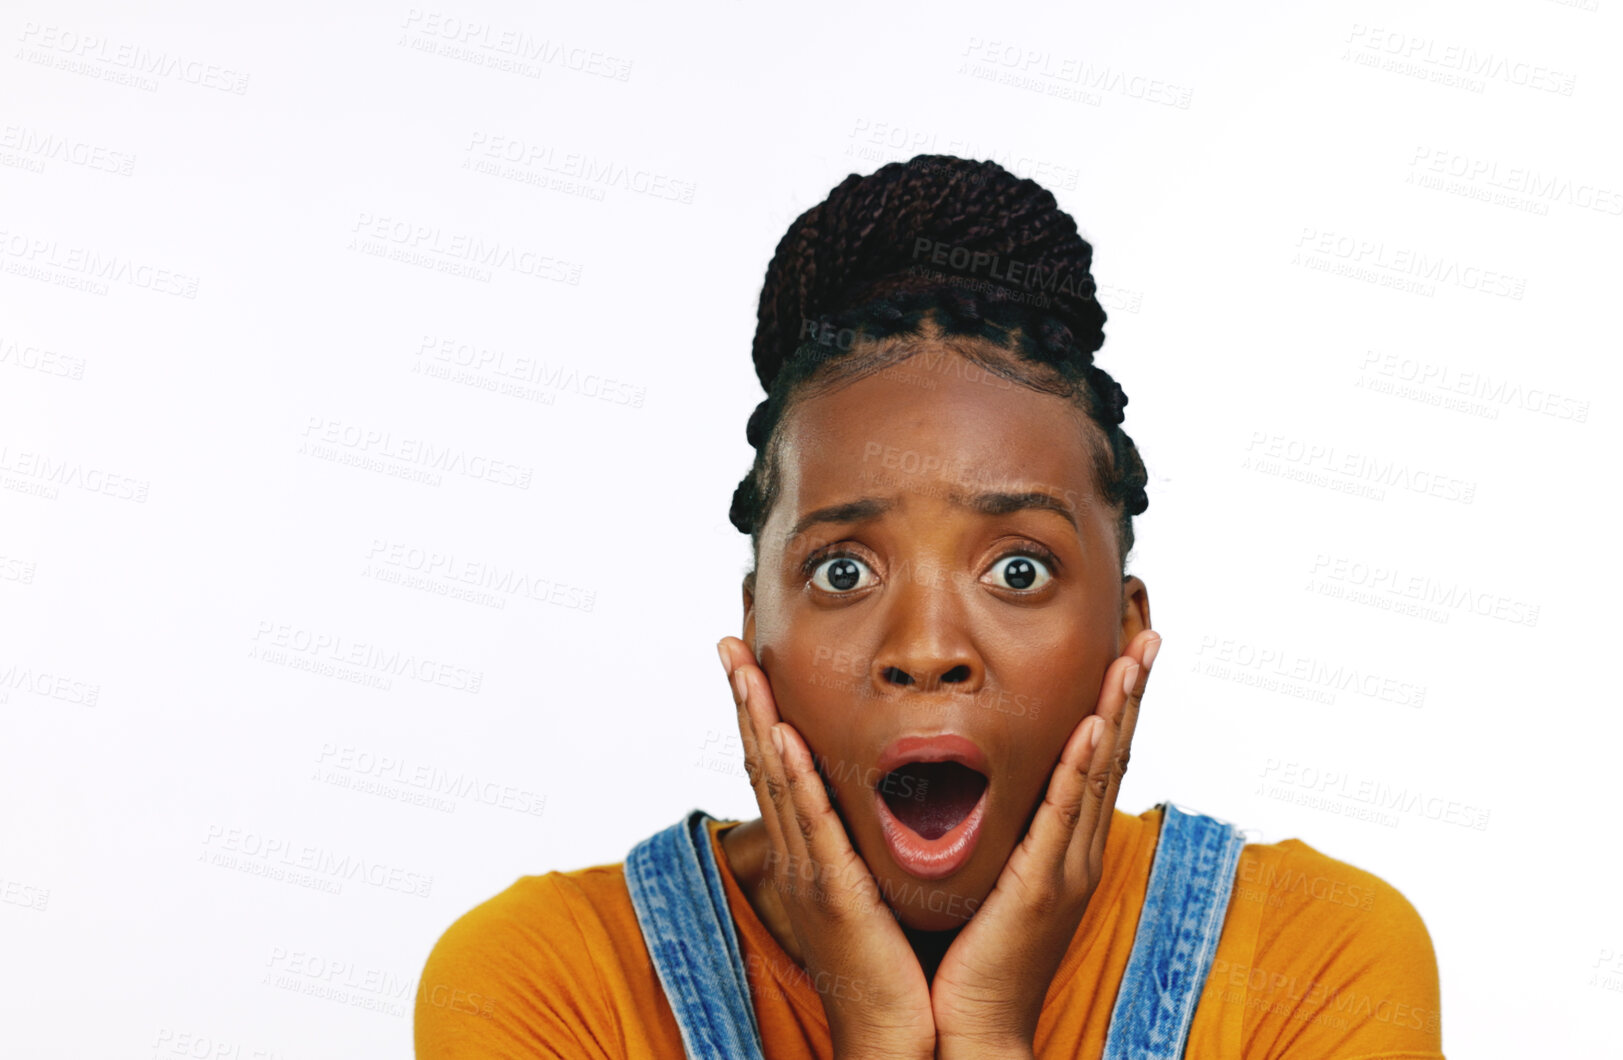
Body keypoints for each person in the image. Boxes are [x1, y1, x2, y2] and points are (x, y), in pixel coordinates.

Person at [415, 154, 1445, 1059]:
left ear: (1123, 636)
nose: (925, 650)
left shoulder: (1313, 957)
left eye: (1018, 570)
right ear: (756, 634)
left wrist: (991, 1030)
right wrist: (872, 1029)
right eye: (842, 572)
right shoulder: (547, 982)